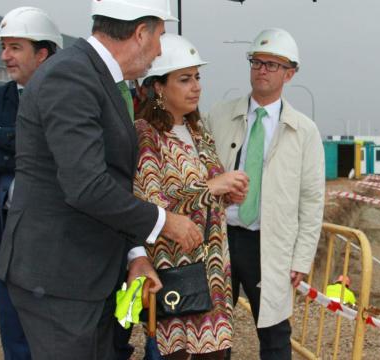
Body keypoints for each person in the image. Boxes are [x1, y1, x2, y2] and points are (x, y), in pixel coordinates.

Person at [0, 1, 205, 359]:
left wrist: (136, 254)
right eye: (160, 37)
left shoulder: (96, 76)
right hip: (59, 280)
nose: (158, 51)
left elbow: (112, 178)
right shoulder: (71, 77)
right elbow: (87, 187)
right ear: (141, 33)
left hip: (88, 276)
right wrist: (164, 221)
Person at [207, 28, 325, 360]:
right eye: (257, 62)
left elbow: (312, 200)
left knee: (274, 335)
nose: (262, 70)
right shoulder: (218, 115)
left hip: (269, 245)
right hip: (221, 240)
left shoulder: (304, 132)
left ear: (290, 73)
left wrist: (302, 258)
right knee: (213, 333)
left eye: (272, 65)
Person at [133, 33, 248, 360]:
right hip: (175, 277)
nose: (196, 86)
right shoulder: (147, 134)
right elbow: (149, 206)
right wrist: (212, 187)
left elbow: (212, 195)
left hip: (214, 276)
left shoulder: (200, 132)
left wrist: (230, 193)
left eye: (197, 77)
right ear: (158, 86)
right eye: (184, 79)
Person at [0, 7, 62, 359]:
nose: (4, 56)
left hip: (56, 245)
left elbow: (56, 153)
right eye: (4, 46)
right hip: (4, 241)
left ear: (43, 53)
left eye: (15, 47)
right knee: (15, 335)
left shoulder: (68, 99)